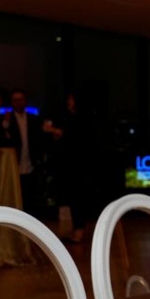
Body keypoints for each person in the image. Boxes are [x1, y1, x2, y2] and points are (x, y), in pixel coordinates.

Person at [48, 92, 94, 242]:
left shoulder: (81, 119)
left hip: (79, 165)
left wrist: (55, 132)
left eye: (71, 99)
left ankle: (79, 231)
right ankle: (77, 229)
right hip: (72, 164)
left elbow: (73, 138)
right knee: (74, 198)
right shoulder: (69, 117)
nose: (68, 101)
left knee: (78, 198)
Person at [0, 88, 48, 219]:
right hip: (15, 165)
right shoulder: (7, 120)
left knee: (31, 196)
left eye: (20, 100)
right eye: (15, 100)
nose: (18, 103)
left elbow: (40, 139)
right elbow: (3, 140)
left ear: (25, 101)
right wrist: (6, 124)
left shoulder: (34, 119)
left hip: (31, 163)